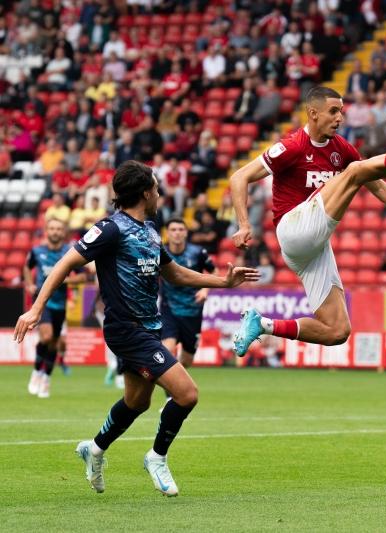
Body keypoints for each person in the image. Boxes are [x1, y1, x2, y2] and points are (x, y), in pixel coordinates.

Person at [13, 161, 259, 497]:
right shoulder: (110, 229)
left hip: (148, 328)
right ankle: (157, 457)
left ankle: (95, 449)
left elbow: (173, 273)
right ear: (146, 192)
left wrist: (222, 282)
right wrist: (36, 308)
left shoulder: (148, 229)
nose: (159, 193)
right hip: (127, 329)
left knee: (137, 402)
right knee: (187, 394)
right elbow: (65, 262)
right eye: (156, 188)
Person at [228, 86, 386, 353]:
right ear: (313, 113)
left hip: (312, 249)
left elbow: (378, 186)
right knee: (354, 171)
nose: (340, 118)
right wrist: (244, 224)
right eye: (333, 111)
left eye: (342, 112)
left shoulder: (341, 149)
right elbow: (238, 177)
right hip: (292, 229)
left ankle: (262, 324)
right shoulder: (291, 147)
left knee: (337, 331)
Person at [24, 218, 85, 398]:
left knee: (54, 343)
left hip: (60, 304)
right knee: (47, 336)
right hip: (42, 302)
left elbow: (82, 277)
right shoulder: (37, 251)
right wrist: (29, 284)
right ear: (46, 231)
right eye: (52, 228)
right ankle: (36, 371)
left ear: (63, 232)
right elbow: (27, 267)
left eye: (59, 228)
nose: (55, 231)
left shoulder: (69, 253)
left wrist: (64, 279)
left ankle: (46, 378)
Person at [159, 218, 217, 401]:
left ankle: (175, 385)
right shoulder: (160, 252)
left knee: (187, 360)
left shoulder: (198, 252)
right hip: (168, 310)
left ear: (185, 232)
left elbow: (213, 271)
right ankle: (171, 396)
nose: (177, 232)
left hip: (192, 311)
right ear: (167, 233)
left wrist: (205, 289)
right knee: (167, 351)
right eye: (173, 229)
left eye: (180, 229)